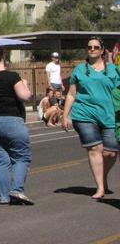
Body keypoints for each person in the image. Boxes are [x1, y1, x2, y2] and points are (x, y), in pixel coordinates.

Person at [62, 36, 120, 199]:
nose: (92, 49)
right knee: (95, 149)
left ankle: (103, 177)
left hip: (109, 115)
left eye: (95, 47)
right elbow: (72, 94)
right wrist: (66, 115)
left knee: (110, 153)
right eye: (89, 47)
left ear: (102, 50)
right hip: (84, 114)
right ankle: (100, 187)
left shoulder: (113, 70)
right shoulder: (80, 70)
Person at [0, 49, 33, 205]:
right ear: (4, 59)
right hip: (11, 120)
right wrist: (25, 85)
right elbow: (25, 96)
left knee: (1, 160)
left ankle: (3, 196)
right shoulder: (12, 77)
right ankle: (17, 189)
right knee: (21, 157)